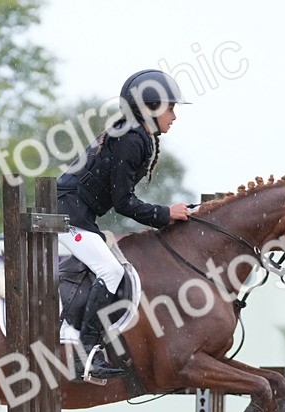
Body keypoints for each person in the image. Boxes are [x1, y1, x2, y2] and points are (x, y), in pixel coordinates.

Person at [56, 68, 191, 382]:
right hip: (65, 215)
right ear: (151, 109)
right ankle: (86, 356)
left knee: (110, 267)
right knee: (112, 271)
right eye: (170, 108)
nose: (174, 116)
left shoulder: (136, 134)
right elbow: (124, 203)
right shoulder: (132, 139)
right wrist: (165, 214)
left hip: (78, 213)